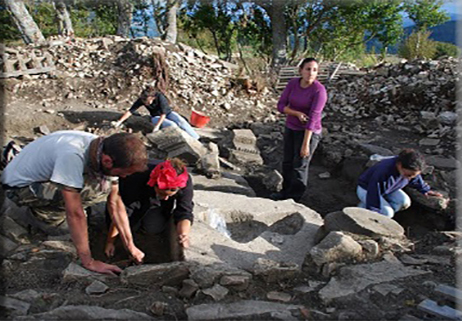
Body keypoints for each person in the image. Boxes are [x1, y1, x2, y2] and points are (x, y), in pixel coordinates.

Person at [1, 131, 148, 275]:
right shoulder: (72, 155)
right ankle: (46, 216)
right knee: (94, 192)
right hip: (19, 188)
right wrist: (89, 262)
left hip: (42, 174)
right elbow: (75, 213)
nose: (124, 176)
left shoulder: (105, 148)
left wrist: (130, 246)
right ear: (107, 161)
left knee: (103, 188)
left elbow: (115, 202)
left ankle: (64, 208)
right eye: (123, 172)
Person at [104, 158, 194, 261]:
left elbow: (184, 211)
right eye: (162, 194)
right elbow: (120, 211)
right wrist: (110, 242)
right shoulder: (136, 176)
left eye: (169, 196)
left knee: (154, 228)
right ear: (154, 183)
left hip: (156, 205)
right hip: (133, 198)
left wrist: (183, 234)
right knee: (128, 225)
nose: (166, 198)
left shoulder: (184, 181)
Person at [271, 57, 328, 202]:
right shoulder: (293, 84)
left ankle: (295, 198)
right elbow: (280, 105)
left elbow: (314, 117)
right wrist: (296, 113)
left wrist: (306, 144)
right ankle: (284, 192)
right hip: (291, 127)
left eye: (314, 70)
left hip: (309, 131)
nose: (311, 73)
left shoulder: (319, 91)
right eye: (308, 69)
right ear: (301, 70)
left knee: (300, 165)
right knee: (287, 162)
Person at [357, 148, 443, 218]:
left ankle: (374, 210)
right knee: (387, 213)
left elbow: (415, 179)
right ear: (399, 165)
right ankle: (361, 212)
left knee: (404, 202)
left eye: (412, 176)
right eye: (408, 175)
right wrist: (374, 210)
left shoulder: (409, 170)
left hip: (388, 189)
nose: (409, 178)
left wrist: (425, 190)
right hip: (367, 189)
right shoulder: (384, 171)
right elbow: (374, 190)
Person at [112, 87, 200, 140]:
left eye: (147, 102)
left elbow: (164, 114)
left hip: (167, 113)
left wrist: (157, 126)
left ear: (153, 98)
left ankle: (196, 138)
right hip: (155, 117)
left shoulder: (160, 97)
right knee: (172, 125)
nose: (145, 103)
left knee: (180, 121)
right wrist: (119, 121)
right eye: (143, 101)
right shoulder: (143, 99)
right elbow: (130, 111)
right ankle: (184, 140)